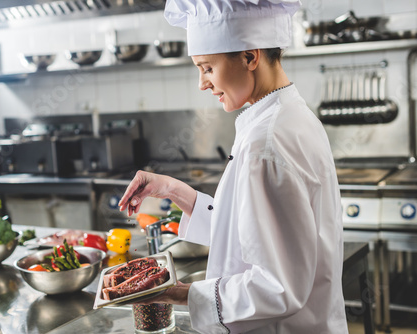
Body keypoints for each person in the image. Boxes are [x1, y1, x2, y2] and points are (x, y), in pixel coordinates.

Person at [119, 0, 348, 333]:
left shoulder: (266, 142)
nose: (202, 83)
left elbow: (277, 288)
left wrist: (177, 293)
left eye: (207, 68)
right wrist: (173, 190)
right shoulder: (286, 116)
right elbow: (253, 235)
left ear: (250, 56)